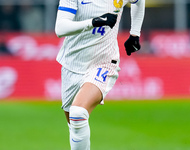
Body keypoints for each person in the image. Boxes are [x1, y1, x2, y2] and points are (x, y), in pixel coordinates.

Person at [55, 0, 145, 149]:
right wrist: (94, 22)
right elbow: (60, 28)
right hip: (72, 63)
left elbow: (139, 1)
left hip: (104, 61)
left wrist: (135, 33)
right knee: (73, 124)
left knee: (78, 113)